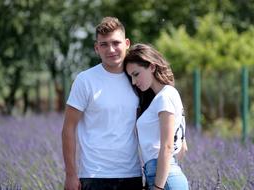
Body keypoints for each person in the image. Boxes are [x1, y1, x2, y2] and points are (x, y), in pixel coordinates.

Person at [61, 17, 143, 190]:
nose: (111, 49)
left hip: (132, 174)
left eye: (116, 42)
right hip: (94, 176)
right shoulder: (85, 80)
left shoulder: (138, 78)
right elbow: (68, 128)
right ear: (96, 48)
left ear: (127, 43)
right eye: (104, 44)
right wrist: (70, 174)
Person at [124, 43, 189, 190]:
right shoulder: (166, 95)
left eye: (136, 74)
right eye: (131, 77)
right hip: (164, 177)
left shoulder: (164, 97)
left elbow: (167, 146)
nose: (134, 82)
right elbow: (183, 147)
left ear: (152, 67)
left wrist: (158, 186)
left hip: (164, 181)